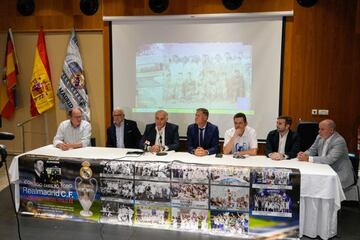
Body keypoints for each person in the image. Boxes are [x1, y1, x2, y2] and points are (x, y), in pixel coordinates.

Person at [297, 119, 354, 189]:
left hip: (339, 174)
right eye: (319, 129)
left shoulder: (339, 141)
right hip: (324, 170)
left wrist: (308, 158)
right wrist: (303, 154)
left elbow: (329, 159)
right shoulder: (319, 137)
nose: (319, 131)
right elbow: (312, 150)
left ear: (331, 130)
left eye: (322, 129)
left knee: (318, 187)